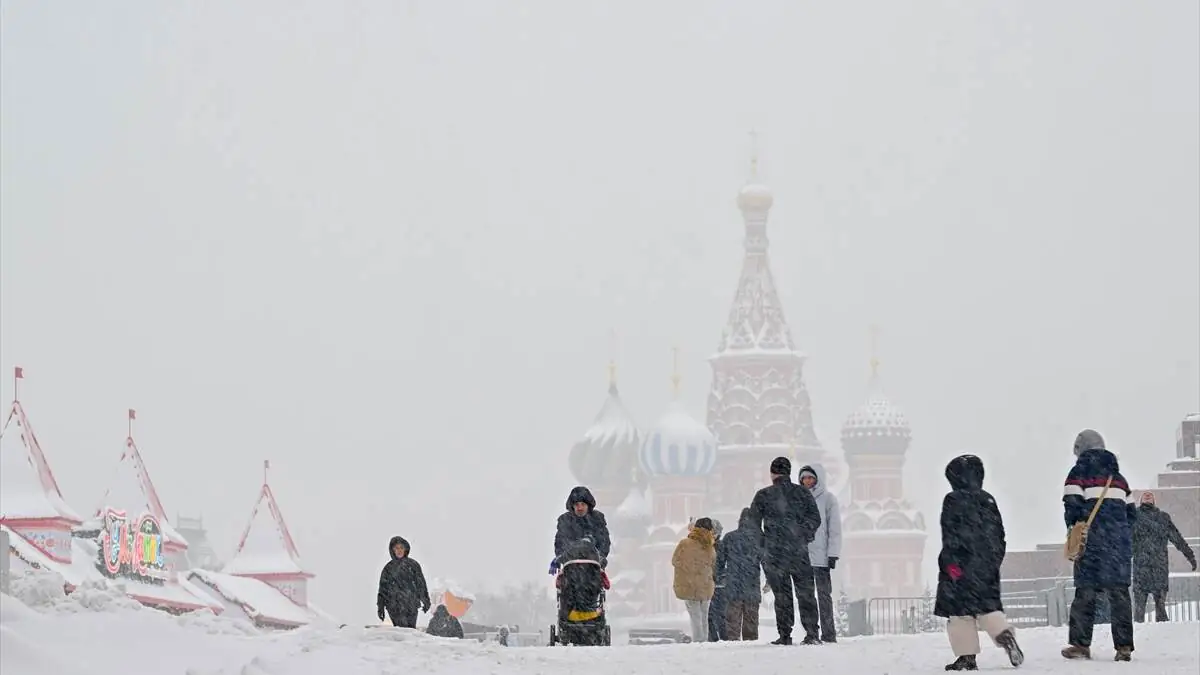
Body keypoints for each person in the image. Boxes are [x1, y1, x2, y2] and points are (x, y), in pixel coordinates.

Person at [933, 455, 1023, 671]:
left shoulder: (952, 500)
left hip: (960, 564)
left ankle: (966, 656)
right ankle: (1005, 634)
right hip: (986, 565)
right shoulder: (988, 499)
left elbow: (950, 535)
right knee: (987, 607)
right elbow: (999, 534)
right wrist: (993, 560)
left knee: (959, 613)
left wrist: (951, 565)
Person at [1061, 429, 1136, 662]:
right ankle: (1123, 647)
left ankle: (1080, 645)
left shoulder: (1078, 473)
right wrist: (1118, 533)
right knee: (1120, 595)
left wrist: (1077, 528)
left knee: (1085, 594)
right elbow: (1132, 515)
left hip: (1091, 545)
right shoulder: (1120, 479)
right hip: (1118, 547)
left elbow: (1071, 508)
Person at [747, 456, 823, 645]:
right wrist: (803, 535)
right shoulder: (803, 494)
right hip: (799, 551)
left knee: (782, 596)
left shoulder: (763, 495)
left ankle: (785, 635)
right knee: (805, 593)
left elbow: (753, 525)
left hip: (775, 553)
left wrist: (764, 544)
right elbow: (815, 518)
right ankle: (812, 633)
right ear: (789, 473)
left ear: (772, 474)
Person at [1132, 491, 1196, 622]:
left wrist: (1190, 555)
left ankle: (1161, 635)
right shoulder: (1134, 517)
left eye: (1150, 495)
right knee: (1139, 610)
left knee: (1160, 608)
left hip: (1158, 566)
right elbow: (1125, 541)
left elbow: (1177, 539)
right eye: (1145, 495)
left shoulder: (1163, 518)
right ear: (1141, 500)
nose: (1148, 495)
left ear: (1154, 500)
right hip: (1142, 567)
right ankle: (1138, 635)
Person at [799, 463, 842, 643]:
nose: (807, 481)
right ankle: (811, 632)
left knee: (824, 596)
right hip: (802, 557)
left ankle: (828, 633)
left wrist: (833, 553)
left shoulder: (828, 499)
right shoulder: (798, 499)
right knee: (806, 598)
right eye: (804, 478)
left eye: (810, 478)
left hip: (822, 557)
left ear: (817, 479)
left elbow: (834, 528)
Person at [716, 507, 766, 641]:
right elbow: (766, 561)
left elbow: (720, 561)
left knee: (732, 621)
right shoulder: (759, 538)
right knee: (751, 620)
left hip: (734, 585)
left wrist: (718, 576)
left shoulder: (730, 537)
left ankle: (733, 643)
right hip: (752, 584)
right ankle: (750, 645)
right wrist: (770, 580)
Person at [672, 516, 718, 642]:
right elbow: (713, 564)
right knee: (704, 616)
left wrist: (687, 568)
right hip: (706, 585)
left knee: (695, 616)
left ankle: (698, 641)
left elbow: (675, 560)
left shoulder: (684, 544)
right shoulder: (710, 546)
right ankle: (704, 640)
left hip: (689, 585)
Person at [552, 486, 611, 572]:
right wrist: (559, 557)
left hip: (593, 564)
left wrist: (601, 556)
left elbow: (604, 541)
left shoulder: (597, 519)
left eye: (583, 504)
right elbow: (560, 543)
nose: (580, 508)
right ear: (572, 506)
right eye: (577, 505)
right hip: (571, 565)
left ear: (588, 505)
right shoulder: (565, 521)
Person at [376, 536, 431, 628]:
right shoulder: (388, 568)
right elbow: (382, 590)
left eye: (401, 548)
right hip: (394, 606)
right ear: (392, 550)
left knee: (411, 631)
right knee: (402, 630)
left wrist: (425, 600)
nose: (399, 550)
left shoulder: (413, 565)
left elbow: (421, 584)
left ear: (406, 549)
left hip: (411, 605)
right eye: (396, 548)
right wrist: (380, 607)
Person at [707, 518, 726, 641]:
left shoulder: (713, 546)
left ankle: (718, 639)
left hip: (716, 585)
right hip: (716, 584)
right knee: (715, 615)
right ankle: (718, 639)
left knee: (715, 615)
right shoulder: (720, 545)